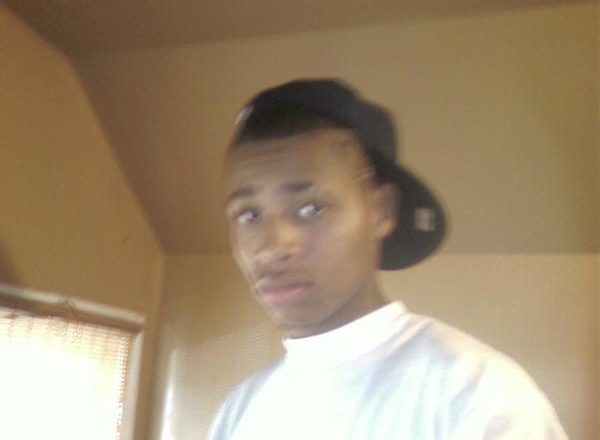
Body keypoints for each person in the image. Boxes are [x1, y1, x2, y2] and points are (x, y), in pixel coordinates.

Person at [209, 79, 568, 439]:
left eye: (311, 208)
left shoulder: (477, 397)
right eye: (248, 215)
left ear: (381, 210)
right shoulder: (239, 410)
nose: (271, 247)